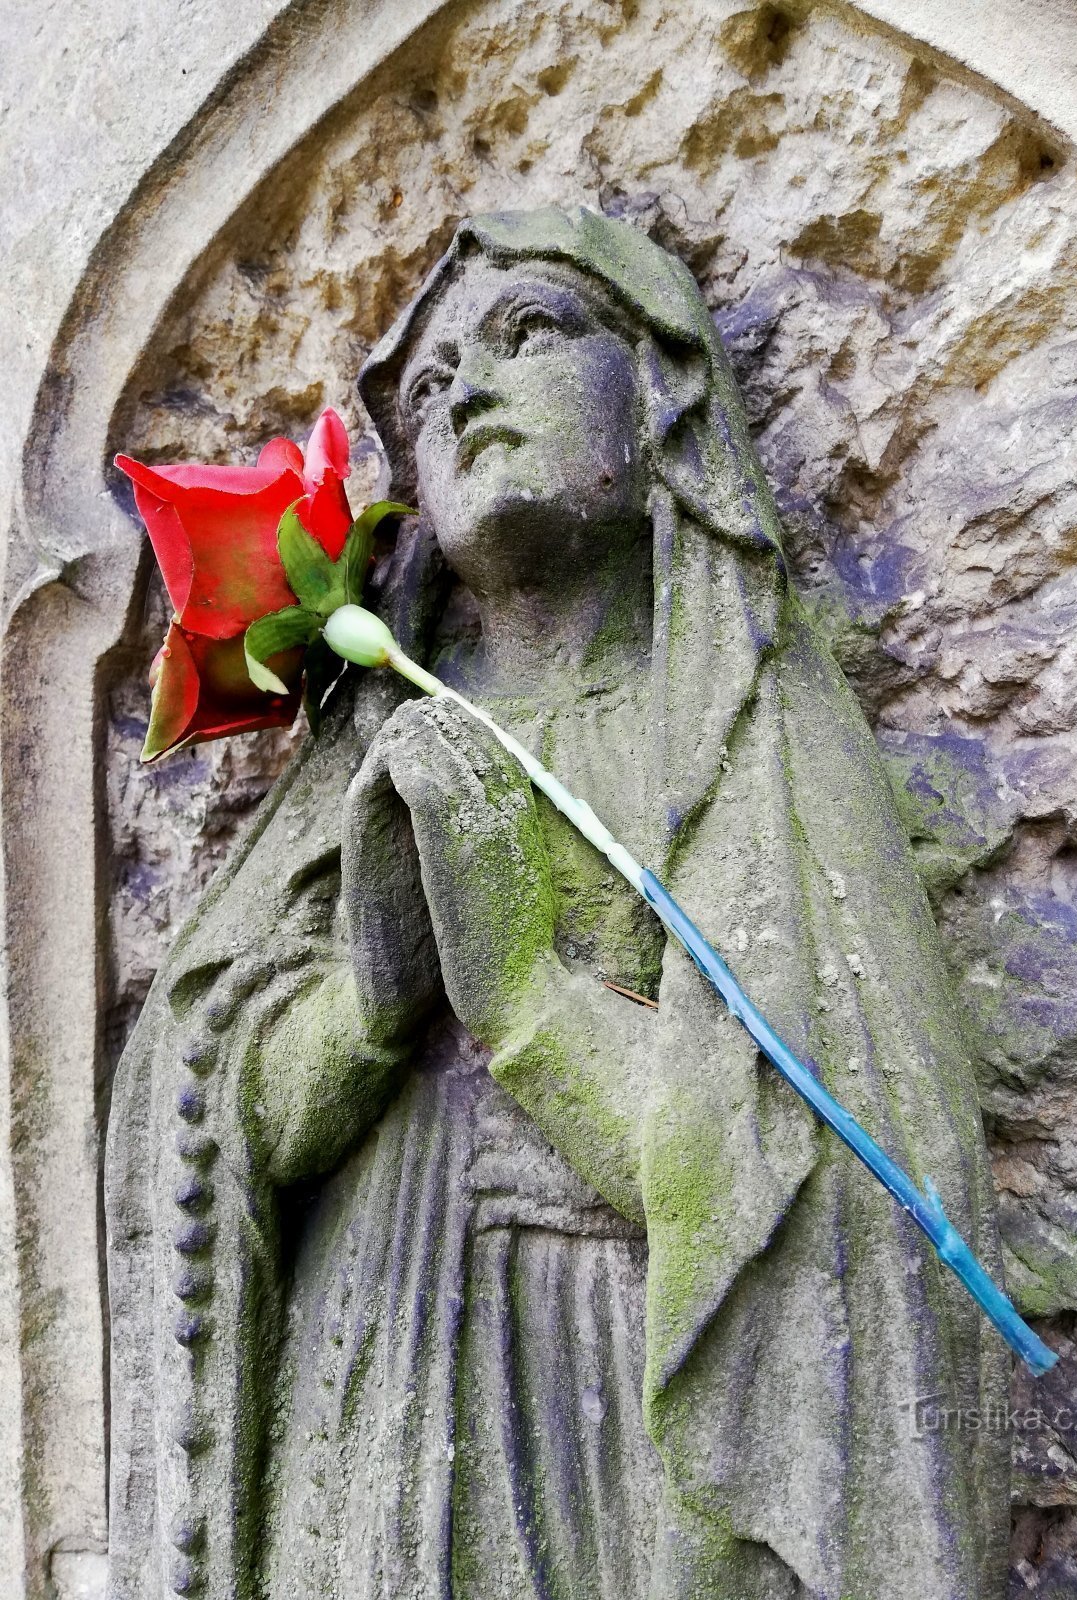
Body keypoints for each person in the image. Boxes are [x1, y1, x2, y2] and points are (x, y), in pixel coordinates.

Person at [106, 207, 1010, 1600]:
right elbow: (220, 1114)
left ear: (661, 389)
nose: (462, 388)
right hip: (368, 1375)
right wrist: (367, 1002)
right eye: (426, 384)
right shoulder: (371, 744)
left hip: (618, 1385)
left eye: (527, 332)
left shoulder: (735, 734)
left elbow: (823, 1173)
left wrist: (524, 994)